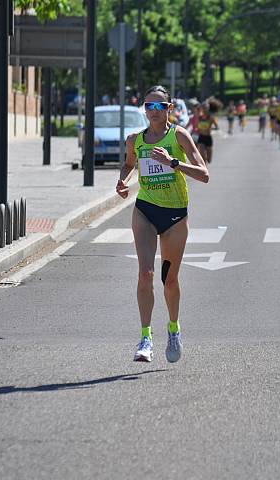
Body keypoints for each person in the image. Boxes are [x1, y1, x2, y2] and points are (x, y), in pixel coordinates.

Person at [116, 85, 209, 363]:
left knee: (169, 280)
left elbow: (204, 174)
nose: (153, 111)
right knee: (145, 273)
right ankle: (145, 337)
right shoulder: (135, 140)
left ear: (169, 108)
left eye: (159, 106)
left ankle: (173, 329)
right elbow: (129, 164)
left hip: (175, 215)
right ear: (144, 109)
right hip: (145, 210)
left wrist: (174, 163)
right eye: (148, 106)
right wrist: (122, 181)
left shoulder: (178, 136)